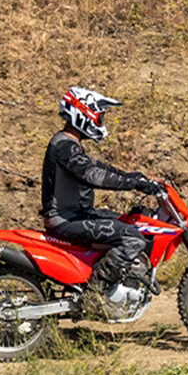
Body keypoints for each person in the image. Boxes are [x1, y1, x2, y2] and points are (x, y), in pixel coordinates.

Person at [40, 87, 162, 284]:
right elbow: (92, 176)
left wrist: (134, 177)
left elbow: (101, 167)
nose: (100, 122)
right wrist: (132, 184)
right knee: (133, 238)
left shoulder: (69, 144)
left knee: (134, 222)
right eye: (98, 117)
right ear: (83, 113)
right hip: (65, 220)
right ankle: (96, 292)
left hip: (77, 215)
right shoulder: (65, 146)